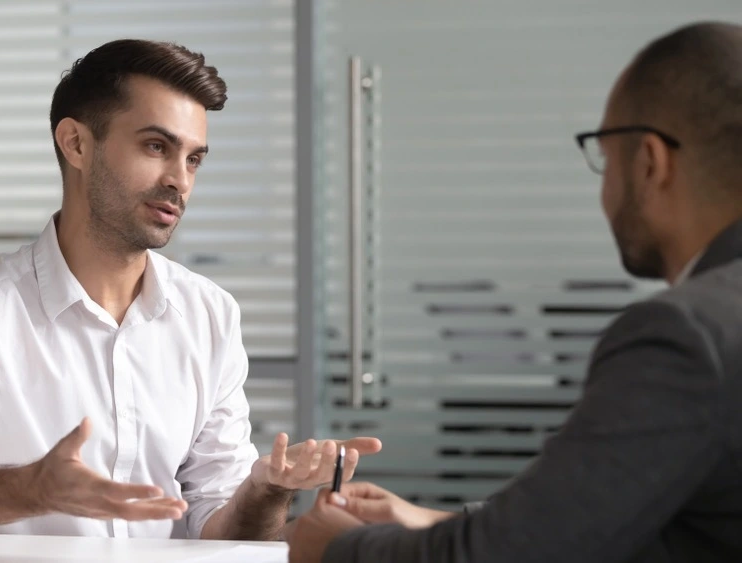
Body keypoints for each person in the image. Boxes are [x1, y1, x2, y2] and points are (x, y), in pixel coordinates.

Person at [0, 39, 381, 548]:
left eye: (193, 159)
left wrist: (265, 491)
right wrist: (28, 489)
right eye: (156, 146)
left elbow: (218, 530)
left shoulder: (210, 316)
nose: (180, 181)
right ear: (76, 144)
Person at [286, 21, 742, 563]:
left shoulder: (687, 335)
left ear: (649, 162)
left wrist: (339, 548)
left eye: (605, 156)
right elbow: (628, 523)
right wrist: (439, 522)